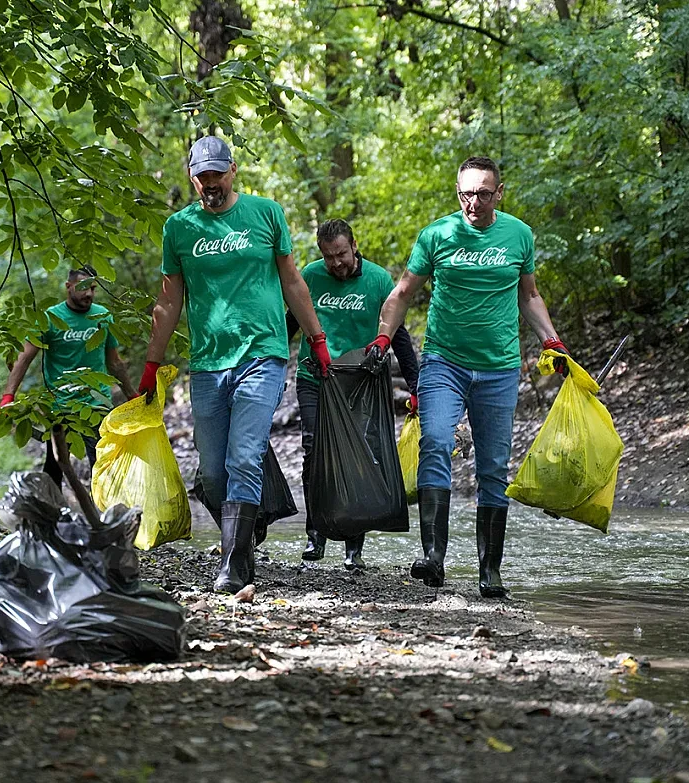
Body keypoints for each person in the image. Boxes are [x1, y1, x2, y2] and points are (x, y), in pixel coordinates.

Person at [366, 156, 568, 599]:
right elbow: (402, 294)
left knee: (493, 468)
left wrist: (551, 340)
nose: (472, 201)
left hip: (498, 368)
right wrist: (383, 339)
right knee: (435, 441)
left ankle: (489, 572)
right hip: (444, 361)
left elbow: (529, 295)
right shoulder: (437, 235)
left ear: (499, 192)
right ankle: (434, 558)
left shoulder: (518, 235)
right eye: (465, 193)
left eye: (481, 193)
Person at [139, 135, 330, 594]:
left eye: (217, 174)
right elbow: (169, 300)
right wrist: (151, 362)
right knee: (211, 469)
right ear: (192, 176)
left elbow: (292, 281)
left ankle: (231, 564)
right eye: (202, 176)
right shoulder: (179, 228)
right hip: (207, 362)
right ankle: (242, 546)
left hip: (263, 353)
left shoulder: (265, 213)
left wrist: (317, 338)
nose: (211, 184)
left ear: (233, 170)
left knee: (245, 454)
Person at [286, 219, 420, 570]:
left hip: (361, 383)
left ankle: (352, 546)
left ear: (354, 246)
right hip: (315, 377)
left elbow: (399, 336)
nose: (336, 263)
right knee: (315, 452)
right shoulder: (311, 276)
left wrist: (416, 387)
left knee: (358, 456)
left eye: (341, 254)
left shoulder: (377, 281)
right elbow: (289, 323)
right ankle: (315, 533)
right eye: (329, 256)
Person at [0, 265, 137, 488]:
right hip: (60, 405)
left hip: (97, 403)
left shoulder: (103, 316)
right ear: (68, 287)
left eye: (93, 288)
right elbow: (24, 358)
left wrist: (132, 395)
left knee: (103, 465)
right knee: (55, 464)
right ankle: (52, 515)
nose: (89, 294)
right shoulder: (50, 317)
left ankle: (106, 517)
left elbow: (114, 362)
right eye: (83, 288)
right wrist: (8, 397)